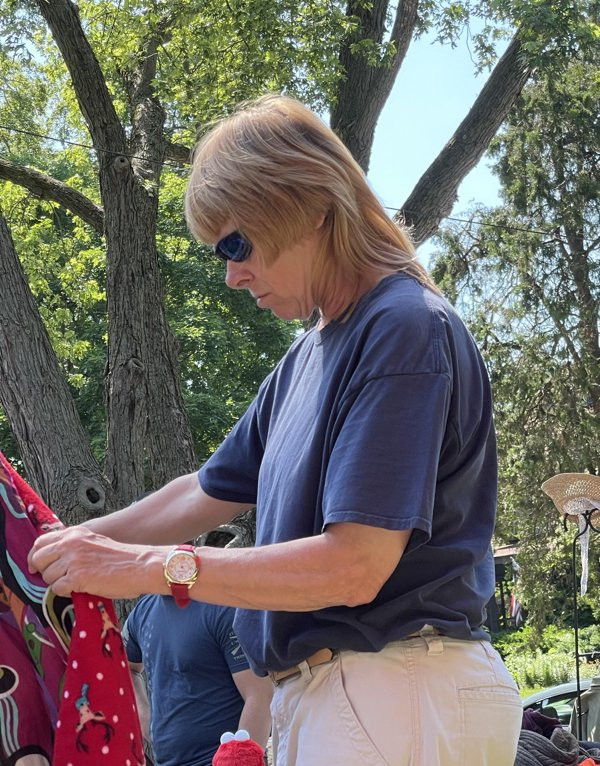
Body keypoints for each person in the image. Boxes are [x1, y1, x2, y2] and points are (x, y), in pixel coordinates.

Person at [29, 93, 523, 765]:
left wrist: (148, 569)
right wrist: (65, 543)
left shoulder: (402, 328)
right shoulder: (310, 355)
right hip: (346, 696)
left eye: (238, 243)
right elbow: (201, 492)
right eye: (218, 254)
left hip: (396, 689)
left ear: (311, 207)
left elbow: (354, 566)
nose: (232, 275)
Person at [123, 592, 272, 766]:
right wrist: (144, 719)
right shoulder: (142, 611)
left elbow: (261, 695)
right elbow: (124, 668)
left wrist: (240, 759)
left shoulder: (224, 605)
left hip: (219, 760)